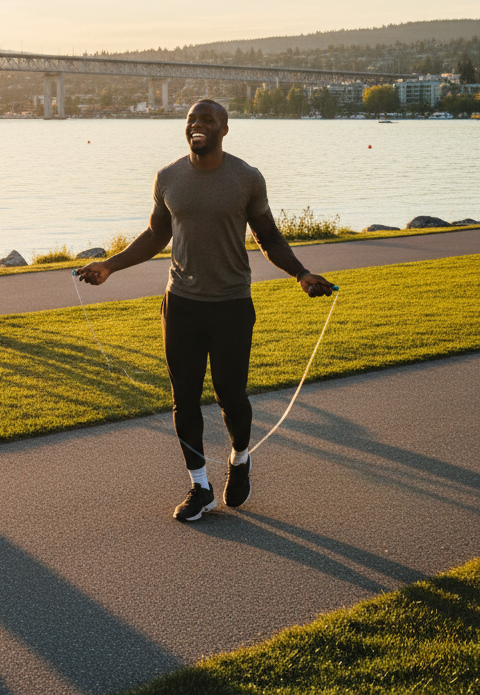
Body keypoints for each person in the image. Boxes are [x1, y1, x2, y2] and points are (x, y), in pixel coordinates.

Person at [77, 99, 335, 523]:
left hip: (231, 305)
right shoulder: (168, 176)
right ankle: (200, 487)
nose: (197, 126)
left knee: (231, 396)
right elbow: (156, 235)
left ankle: (239, 458)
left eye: (207, 120)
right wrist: (110, 266)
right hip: (180, 305)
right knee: (184, 400)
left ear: (224, 129)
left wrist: (301, 274)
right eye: (192, 120)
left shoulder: (246, 178)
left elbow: (269, 237)